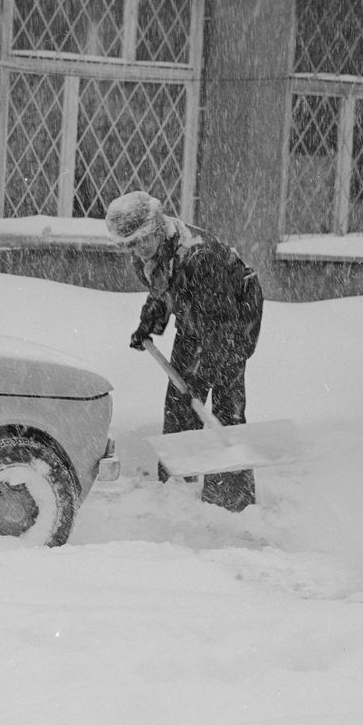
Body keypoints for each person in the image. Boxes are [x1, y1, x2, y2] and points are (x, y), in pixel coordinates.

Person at [105, 190, 263, 511]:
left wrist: (209, 368)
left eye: (141, 240)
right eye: (129, 245)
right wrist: (148, 324)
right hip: (197, 315)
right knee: (179, 405)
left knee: (224, 408)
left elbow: (218, 321)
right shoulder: (150, 254)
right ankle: (175, 488)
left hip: (233, 318)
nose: (137, 250)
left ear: (157, 225)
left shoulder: (198, 257)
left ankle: (230, 501)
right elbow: (165, 291)